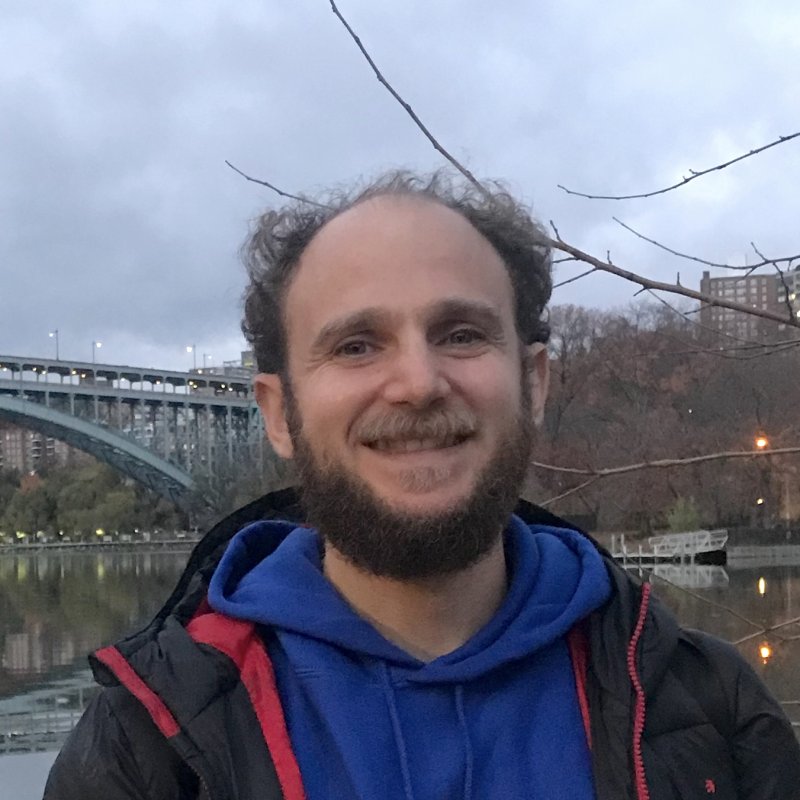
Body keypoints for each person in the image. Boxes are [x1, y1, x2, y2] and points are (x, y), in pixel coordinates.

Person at [45, 172, 800, 800]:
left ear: (534, 382)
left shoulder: (711, 706)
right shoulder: (143, 748)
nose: (417, 383)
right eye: (356, 344)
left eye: (462, 334)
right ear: (278, 414)